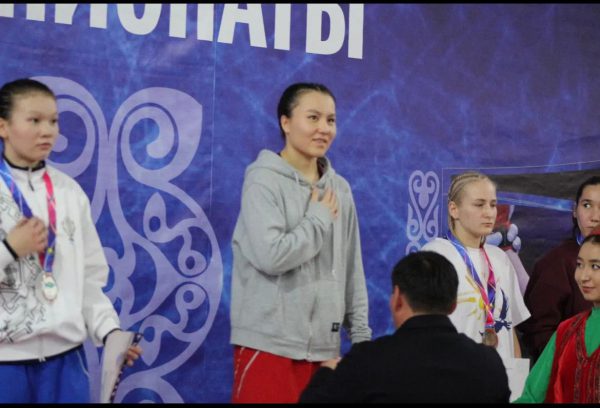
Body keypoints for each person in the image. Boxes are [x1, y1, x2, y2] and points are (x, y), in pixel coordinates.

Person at [0, 78, 142, 403]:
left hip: (66, 364)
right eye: (34, 120)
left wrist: (110, 332)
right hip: (5, 365)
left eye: (53, 121)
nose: (47, 131)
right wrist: (10, 249)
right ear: (3, 126)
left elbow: (89, 279)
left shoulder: (69, 192)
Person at [229, 82, 371, 403]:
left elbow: (351, 268)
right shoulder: (262, 180)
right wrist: (318, 219)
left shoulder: (340, 189)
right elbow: (272, 256)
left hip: (325, 352)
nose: (324, 128)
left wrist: (361, 340)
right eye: (313, 118)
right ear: (286, 122)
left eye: (331, 120)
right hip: (267, 348)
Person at [299, 251, 511, 403]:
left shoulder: (367, 360)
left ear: (397, 299)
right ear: (453, 304)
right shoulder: (488, 364)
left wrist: (326, 372)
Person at [421, 171, 530, 361]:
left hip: (500, 375)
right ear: (454, 209)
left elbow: (509, 329)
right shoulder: (434, 255)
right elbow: (422, 329)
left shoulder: (500, 258)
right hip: (454, 373)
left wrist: (517, 374)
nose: (489, 213)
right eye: (479, 205)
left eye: (493, 204)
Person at [518, 176, 600, 362]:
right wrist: (575, 365)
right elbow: (539, 334)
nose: (595, 217)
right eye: (587, 205)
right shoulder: (555, 263)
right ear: (575, 210)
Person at [515, 225, 600, 403]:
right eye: (579, 265)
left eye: (595, 266)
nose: (583, 276)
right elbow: (532, 396)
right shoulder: (567, 331)